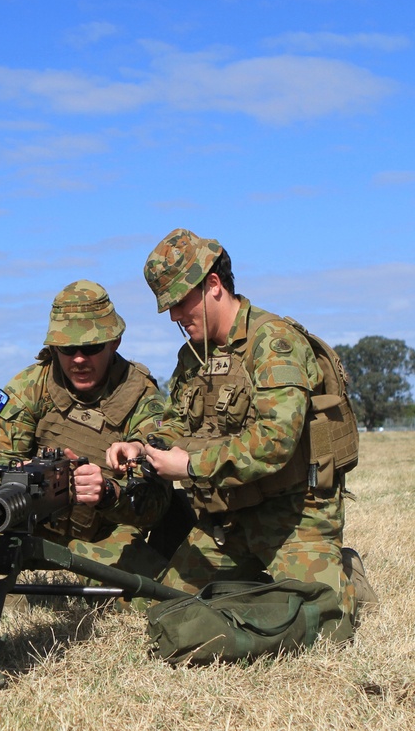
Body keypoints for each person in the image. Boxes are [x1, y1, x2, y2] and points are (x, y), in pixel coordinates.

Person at [106, 228, 356, 634]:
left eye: (179, 303)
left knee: (326, 625)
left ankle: (344, 573)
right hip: (229, 520)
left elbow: (276, 440)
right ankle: (257, 584)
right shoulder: (193, 358)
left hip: (292, 515)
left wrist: (189, 467)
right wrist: (142, 447)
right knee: (162, 612)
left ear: (214, 285)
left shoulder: (273, 342)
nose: (173, 316)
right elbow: (175, 422)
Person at [0, 280, 186, 590]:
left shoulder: (140, 397)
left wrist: (107, 493)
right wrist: (30, 476)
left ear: (115, 342)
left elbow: (154, 507)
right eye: (67, 349)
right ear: (54, 347)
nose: (79, 359)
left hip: (100, 539)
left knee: (170, 595)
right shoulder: (30, 385)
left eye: (92, 348)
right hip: (25, 527)